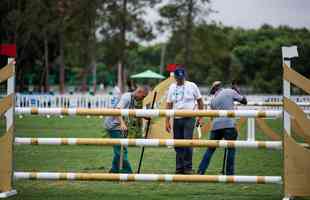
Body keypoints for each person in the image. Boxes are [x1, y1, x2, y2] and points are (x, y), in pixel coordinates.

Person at [197, 81, 247, 175]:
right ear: (220, 87)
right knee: (231, 149)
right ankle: (229, 173)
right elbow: (244, 101)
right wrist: (237, 91)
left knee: (210, 150)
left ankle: (201, 171)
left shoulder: (213, 100)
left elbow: (212, 117)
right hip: (229, 125)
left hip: (216, 126)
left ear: (214, 90)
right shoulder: (229, 91)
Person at [166, 67, 204, 174]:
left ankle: (187, 168)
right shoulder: (172, 87)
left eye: (181, 78)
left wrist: (201, 117)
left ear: (184, 77)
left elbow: (200, 101)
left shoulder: (192, 86)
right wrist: (167, 121)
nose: (180, 80)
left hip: (189, 118)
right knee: (177, 144)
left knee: (187, 142)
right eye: (178, 78)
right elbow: (169, 104)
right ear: (175, 78)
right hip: (176, 119)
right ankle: (179, 168)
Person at [104, 86, 149, 173]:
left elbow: (132, 112)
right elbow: (117, 110)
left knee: (120, 149)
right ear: (139, 92)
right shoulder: (127, 97)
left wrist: (144, 116)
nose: (142, 99)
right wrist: (122, 123)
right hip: (114, 126)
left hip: (118, 126)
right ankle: (127, 172)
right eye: (143, 96)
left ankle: (114, 170)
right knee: (121, 150)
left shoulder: (132, 99)